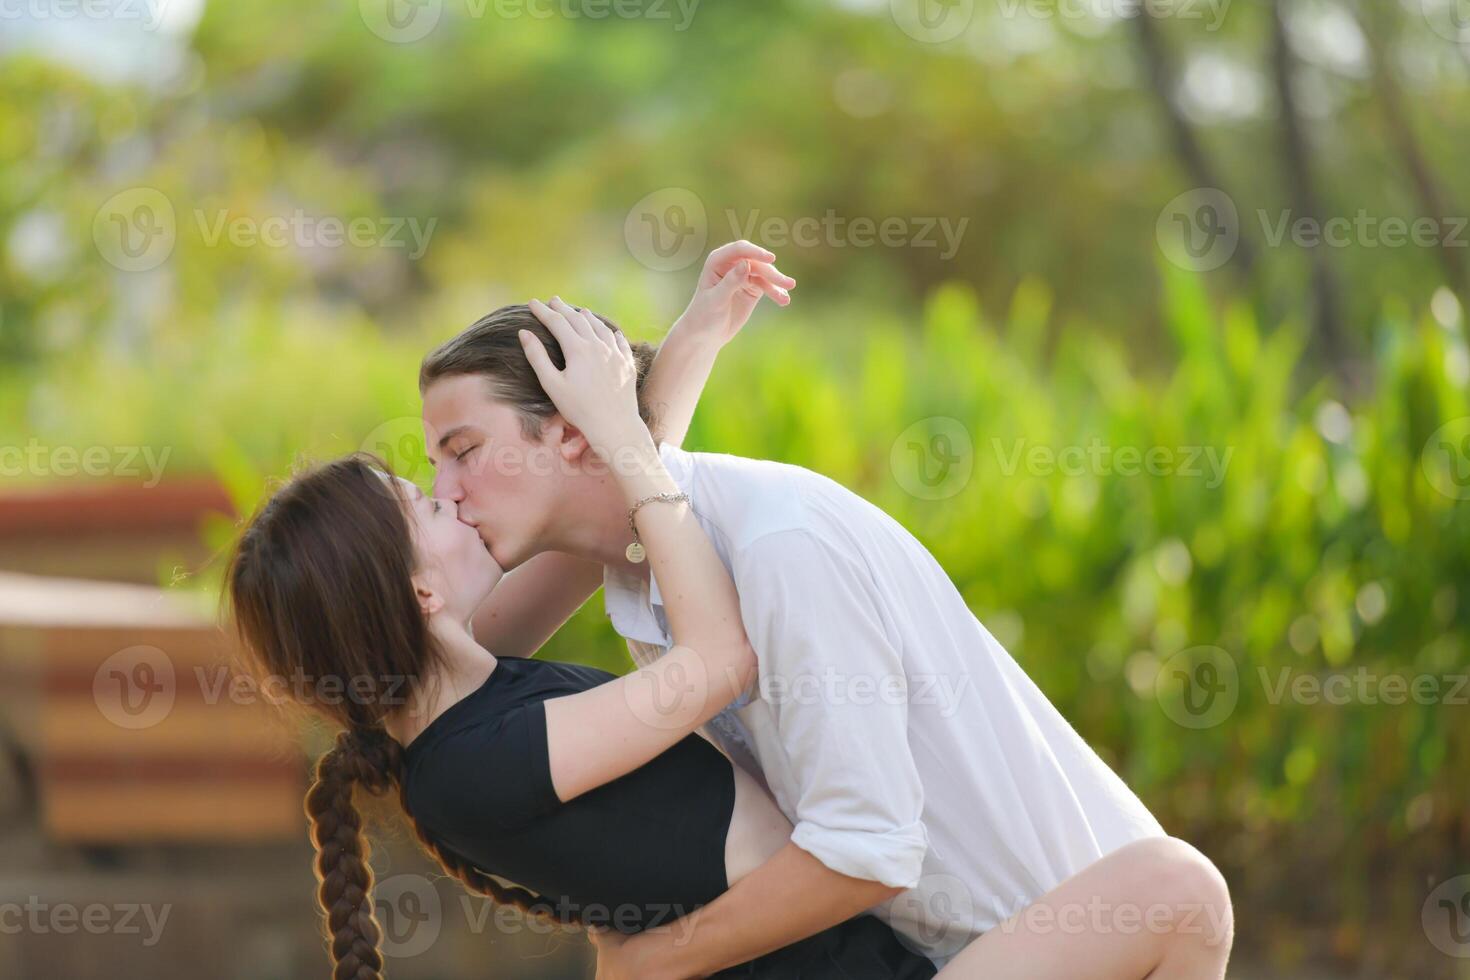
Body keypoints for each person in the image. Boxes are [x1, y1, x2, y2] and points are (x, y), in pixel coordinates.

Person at [419, 268, 1236, 979]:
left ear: (566, 433)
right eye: (431, 469)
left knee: (1182, 886)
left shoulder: (778, 547)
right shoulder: (641, 568)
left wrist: (658, 961)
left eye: (461, 450)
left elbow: (866, 852)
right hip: (922, 957)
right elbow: (448, 658)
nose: (446, 491)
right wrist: (663, 380)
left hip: (1061, 945)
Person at [226, 244, 936, 978]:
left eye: (452, 466)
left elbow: (611, 509)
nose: (456, 494)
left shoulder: (456, 687)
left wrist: (694, 340)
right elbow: (719, 660)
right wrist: (619, 435)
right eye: (431, 503)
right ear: (419, 592)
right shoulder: (468, 763)